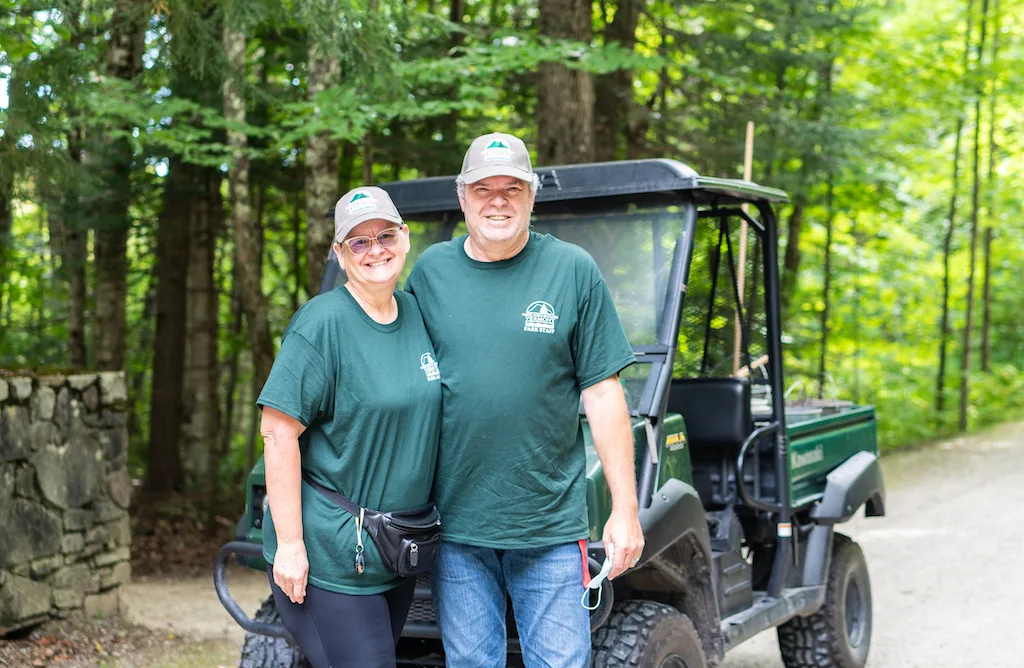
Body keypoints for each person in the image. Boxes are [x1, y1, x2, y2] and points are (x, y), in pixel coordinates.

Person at [405, 133, 644, 667]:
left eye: (512, 188)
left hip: (550, 528)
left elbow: (604, 392)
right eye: (483, 189)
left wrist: (625, 510)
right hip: (457, 527)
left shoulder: (573, 270)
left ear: (532, 196)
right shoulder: (429, 274)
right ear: (462, 197)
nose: (498, 200)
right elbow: (398, 388)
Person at [257, 186, 441, 668]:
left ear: (404, 238)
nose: (375, 249)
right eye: (358, 242)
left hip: (395, 551)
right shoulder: (321, 325)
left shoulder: (419, 315)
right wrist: (292, 547)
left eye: (385, 235)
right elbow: (277, 433)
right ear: (339, 254)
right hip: (332, 559)